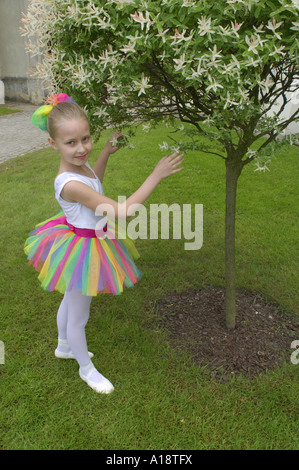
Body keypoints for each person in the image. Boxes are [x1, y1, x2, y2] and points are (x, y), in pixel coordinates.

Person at [24, 93, 184, 394]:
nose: (82, 148)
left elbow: (93, 179)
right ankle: (86, 369)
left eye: (86, 138)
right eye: (71, 143)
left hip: (86, 239)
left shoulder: (79, 170)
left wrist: (106, 153)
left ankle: (64, 347)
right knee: (79, 315)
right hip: (84, 247)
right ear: (52, 144)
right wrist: (155, 175)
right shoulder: (70, 184)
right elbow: (121, 211)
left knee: (69, 299)